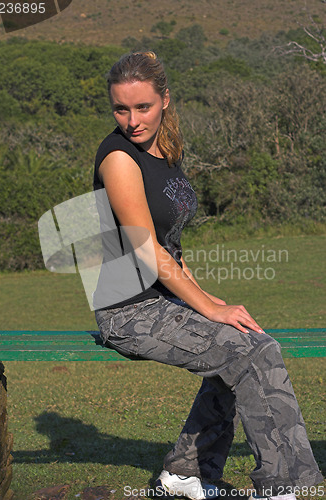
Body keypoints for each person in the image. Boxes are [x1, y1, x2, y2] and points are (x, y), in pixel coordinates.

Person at [93, 51, 323, 500]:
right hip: (128, 311)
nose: (132, 119)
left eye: (143, 107)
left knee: (248, 343)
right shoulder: (119, 158)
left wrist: (206, 298)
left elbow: (172, 244)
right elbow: (146, 249)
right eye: (121, 108)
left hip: (162, 301)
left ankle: (184, 473)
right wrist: (210, 306)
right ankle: (282, 488)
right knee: (253, 353)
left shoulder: (164, 151)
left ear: (165, 101)